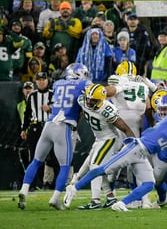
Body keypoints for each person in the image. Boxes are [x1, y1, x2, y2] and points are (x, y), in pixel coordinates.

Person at [63, 88, 167, 211]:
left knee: (149, 184)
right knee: (104, 169)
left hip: (143, 155)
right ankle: (73, 188)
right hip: (135, 148)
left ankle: (120, 204)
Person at [17, 63, 92, 210]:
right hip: (63, 126)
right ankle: (55, 198)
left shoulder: (58, 83)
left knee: (36, 160)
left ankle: (23, 190)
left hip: (48, 125)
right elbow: (89, 97)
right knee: (65, 165)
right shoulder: (83, 83)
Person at [75, 83, 136, 210]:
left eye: (93, 100)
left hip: (110, 139)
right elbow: (80, 113)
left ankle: (95, 200)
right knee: (87, 169)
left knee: (95, 166)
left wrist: (134, 144)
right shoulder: (82, 100)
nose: (89, 102)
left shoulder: (107, 109)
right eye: (88, 98)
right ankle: (110, 197)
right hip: (99, 139)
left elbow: (125, 128)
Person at [20, 72, 55, 190]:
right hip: (35, 127)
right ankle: (33, 184)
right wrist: (24, 129)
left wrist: (50, 109)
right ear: (36, 81)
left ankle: (51, 183)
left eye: (43, 79)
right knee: (34, 156)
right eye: (39, 80)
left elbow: (60, 110)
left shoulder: (53, 94)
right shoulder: (32, 95)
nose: (41, 81)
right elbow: (27, 114)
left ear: (47, 81)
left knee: (53, 156)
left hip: (50, 126)